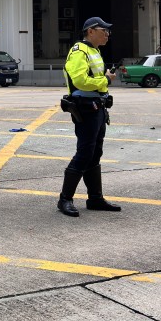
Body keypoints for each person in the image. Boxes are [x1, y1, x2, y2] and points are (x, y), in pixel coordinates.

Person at [58, 16, 120, 217]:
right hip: (86, 109)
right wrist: (106, 80)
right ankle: (64, 199)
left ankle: (95, 199)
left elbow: (92, 79)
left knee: (95, 154)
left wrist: (104, 82)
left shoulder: (95, 51)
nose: (107, 34)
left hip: (98, 108)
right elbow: (81, 81)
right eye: (104, 30)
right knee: (84, 153)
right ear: (91, 31)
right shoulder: (79, 51)